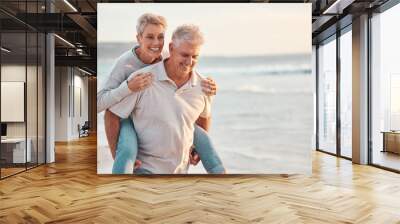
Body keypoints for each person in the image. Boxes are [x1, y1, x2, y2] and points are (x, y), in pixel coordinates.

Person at [97, 14, 225, 174]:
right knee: (127, 152)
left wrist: (209, 86)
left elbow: (203, 114)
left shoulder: (167, 56)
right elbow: (103, 107)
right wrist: (127, 88)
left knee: (195, 133)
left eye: (160, 37)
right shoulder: (125, 64)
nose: (156, 43)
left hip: (162, 120)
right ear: (139, 38)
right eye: (150, 37)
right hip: (128, 115)